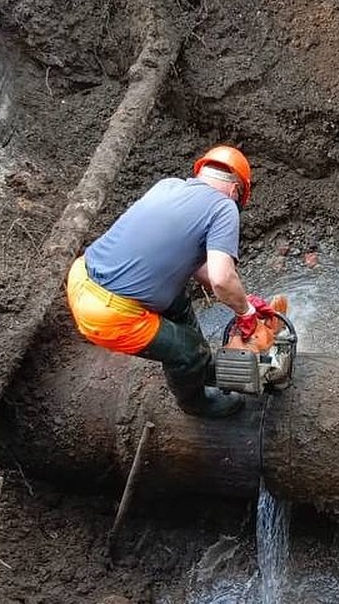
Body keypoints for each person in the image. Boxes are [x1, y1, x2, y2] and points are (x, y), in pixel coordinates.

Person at [66, 145, 276, 418]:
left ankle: (201, 365)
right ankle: (195, 402)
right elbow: (222, 278)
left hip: (80, 276)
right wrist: (245, 312)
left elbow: (206, 271)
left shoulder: (167, 186)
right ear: (236, 190)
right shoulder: (225, 207)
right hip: (109, 315)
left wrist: (242, 300)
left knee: (178, 303)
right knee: (188, 351)